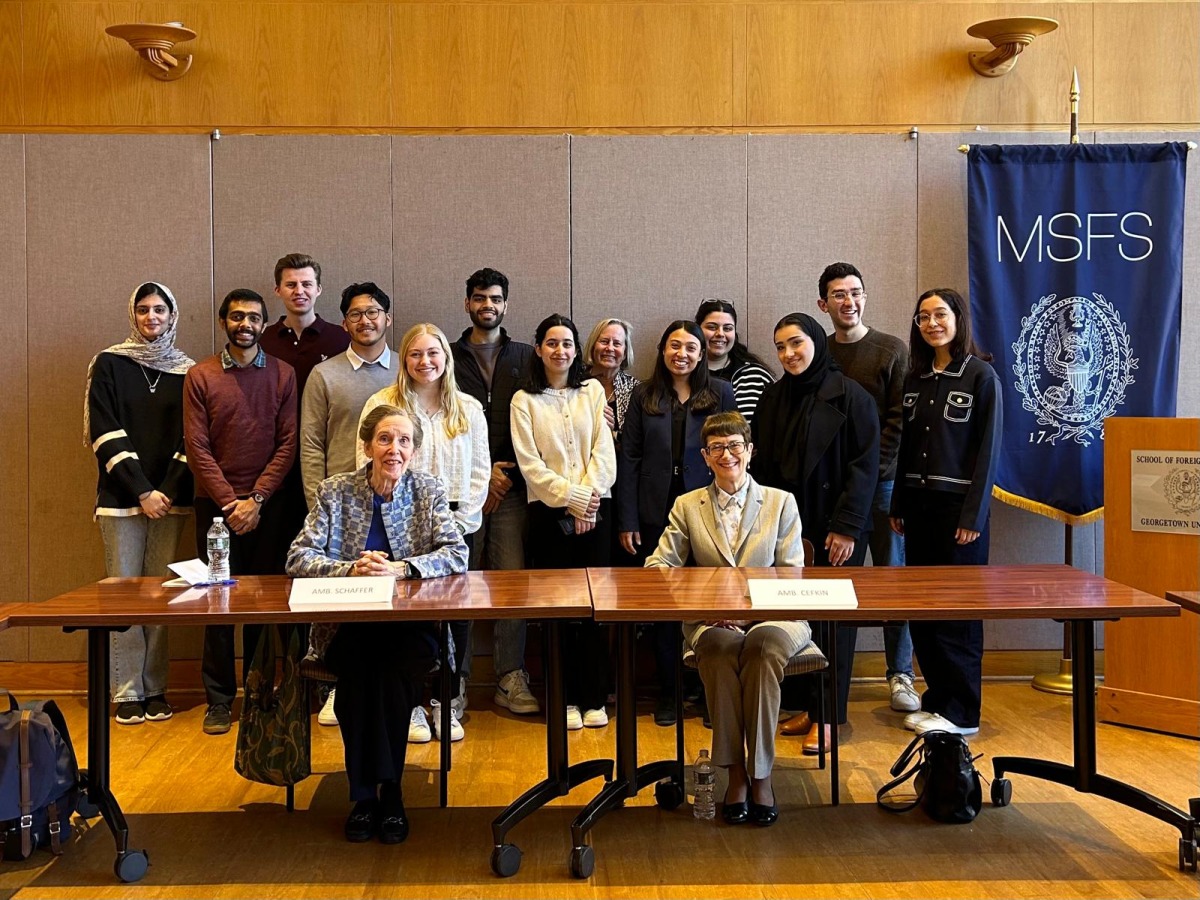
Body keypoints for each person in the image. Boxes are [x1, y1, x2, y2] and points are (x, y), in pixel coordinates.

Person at [286, 404, 468, 844]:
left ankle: (373, 795)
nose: (395, 449)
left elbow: (457, 553)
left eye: (404, 441)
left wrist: (401, 568)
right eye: (385, 439)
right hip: (348, 626)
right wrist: (352, 569)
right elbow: (297, 557)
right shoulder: (336, 491)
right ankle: (384, 796)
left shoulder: (427, 490)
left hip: (412, 628)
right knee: (360, 678)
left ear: (414, 450)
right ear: (367, 446)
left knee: (386, 677)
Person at [646, 411, 811, 828]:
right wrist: (705, 603)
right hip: (713, 622)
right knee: (720, 649)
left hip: (777, 618)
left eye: (735, 445)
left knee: (762, 647)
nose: (727, 454)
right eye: (717, 447)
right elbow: (658, 566)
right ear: (705, 456)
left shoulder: (780, 502)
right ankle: (735, 774)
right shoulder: (688, 505)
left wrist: (751, 611)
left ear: (750, 451)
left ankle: (761, 777)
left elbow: (792, 574)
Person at [752, 313, 879, 754]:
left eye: (796, 343)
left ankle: (830, 717)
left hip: (835, 528)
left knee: (833, 624)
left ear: (815, 343)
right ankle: (807, 705)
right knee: (794, 620)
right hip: (787, 530)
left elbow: (865, 470)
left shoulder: (852, 397)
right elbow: (763, 470)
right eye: (780, 346)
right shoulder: (773, 397)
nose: (788, 354)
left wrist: (847, 528)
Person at [359, 323, 489, 743]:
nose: (425, 362)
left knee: (455, 617)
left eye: (433, 353)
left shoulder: (467, 407)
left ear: (446, 359)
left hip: (456, 527)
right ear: (403, 359)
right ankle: (413, 702)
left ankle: (448, 701)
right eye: (415, 354)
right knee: (409, 619)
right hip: (401, 523)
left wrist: (461, 523)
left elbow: (480, 470)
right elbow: (365, 462)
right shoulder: (382, 403)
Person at [183, 288, 297, 736]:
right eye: (236, 316)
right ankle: (218, 698)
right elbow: (196, 446)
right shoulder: (201, 375)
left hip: (269, 506)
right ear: (223, 322)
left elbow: (288, 442)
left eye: (253, 317)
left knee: (263, 603)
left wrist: (258, 499)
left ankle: (260, 692)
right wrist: (231, 503)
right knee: (215, 604)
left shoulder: (284, 374)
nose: (244, 324)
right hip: (215, 508)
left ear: (264, 324)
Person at [890, 288, 1002, 737]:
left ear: (957, 319)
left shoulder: (980, 375)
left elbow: (989, 453)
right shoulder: (916, 378)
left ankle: (962, 713)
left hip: (959, 513)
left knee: (957, 612)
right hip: (918, 508)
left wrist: (972, 517)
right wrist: (898, 503)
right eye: (923, 317)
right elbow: (904, 450)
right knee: (924, 609)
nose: (931, 323)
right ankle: (937, 701)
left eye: (940, 314)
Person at [84, 282, 195, 725]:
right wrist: (142, 491)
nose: (152, 317)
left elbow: (194, 438)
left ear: (172, 315)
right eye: (144, 310)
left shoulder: (190, 371)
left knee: (162, 596)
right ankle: (127, 689)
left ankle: (156, 688)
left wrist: (164, 491)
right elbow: (102, 429)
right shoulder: (109, 363)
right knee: (125, 594)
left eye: (160, 310)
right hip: (121, 498)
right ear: (133, 314)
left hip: (171, 498)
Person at [617, 320, 736, 725]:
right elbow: (628, 457)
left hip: (708, 512)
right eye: (674, 346)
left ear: (702, 354)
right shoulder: (643, 394)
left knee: (709, 605)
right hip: (654, 515)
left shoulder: (720, 392)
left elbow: (730, 451)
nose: (681, 354)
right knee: (665, 606)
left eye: (690, 348)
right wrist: (627, 518)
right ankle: (669, 692)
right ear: (662, 351)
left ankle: (707, 692)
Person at [816, 262, 918, 714]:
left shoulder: (891, 350)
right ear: (823, 304)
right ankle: (830, 682)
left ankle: (900, 674)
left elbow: (899, 421)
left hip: (886, 485)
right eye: (838, 295)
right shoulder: (818, 351)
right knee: (838, 586)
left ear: (865, 297)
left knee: (893, 581)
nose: (848, 301)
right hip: (836, 491)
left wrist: (870, 474)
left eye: (855, 292)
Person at [511, 314, 616, 730]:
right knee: (557, 609)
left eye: (568, 343)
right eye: (552, 343)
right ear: (538, 349)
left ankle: (594, 696)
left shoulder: (591, 392)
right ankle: (563, 697)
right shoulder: (524, 400)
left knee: (593, 610)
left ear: (577, 350)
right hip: (548, 515)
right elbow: (529, 465)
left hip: (596, 511)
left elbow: (603, 451)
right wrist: (573, 501)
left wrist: (588, 500)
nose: (561, 351)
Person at [299, 281, 395, 727]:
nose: (366, 320)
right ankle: (338, 685)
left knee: (394, 602)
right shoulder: (325, 374)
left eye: (374, 312)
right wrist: (319, 506)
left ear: (387, 319)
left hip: (395, 504)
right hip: (341, 507)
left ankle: (403, 693)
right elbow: (311, 444)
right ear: (344, 322)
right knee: (345, 603)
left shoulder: (407, 369)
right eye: (356, 314)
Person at [449, 268, 540, 716]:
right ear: (467, 303)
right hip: (462, 491)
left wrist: (508, 476)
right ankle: (455, 681)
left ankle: (510, 675)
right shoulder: (446, 356)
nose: (488, 305)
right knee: (458, 587)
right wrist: (481, 477)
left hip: (515, 489)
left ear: (506, 304)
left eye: (496, 298)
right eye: (480, 298)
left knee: (511, 586)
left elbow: (544, 417)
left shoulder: (527, 355)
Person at [260, 253, 351, 551]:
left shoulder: (341, 339)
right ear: (278, 290)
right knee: (276, 548)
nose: (299, 291)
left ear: (319, 289)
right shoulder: (263, 341)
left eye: (307, 284)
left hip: (328, 458)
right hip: (274, 463)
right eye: (291, 284)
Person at [695, 298, 774, 423]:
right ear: (697, 331)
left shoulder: (756, 377)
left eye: (727, 328)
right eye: (712, 327)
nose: (720, 334)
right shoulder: (686, 376)